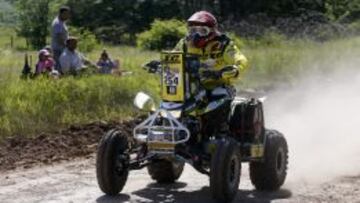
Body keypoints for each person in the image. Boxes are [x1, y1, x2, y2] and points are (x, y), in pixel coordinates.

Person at [173, 11, 248, 92]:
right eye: (193, 30)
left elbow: (241, 59)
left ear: (212, 31)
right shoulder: (184, 43)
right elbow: (172, 58)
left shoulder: (223, 43)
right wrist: (160, 64)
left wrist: (236, 69)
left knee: (219, 97)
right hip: (191, 88)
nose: (196, 35)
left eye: (202, 31)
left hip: (219, 85)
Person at [51, 6, 70, 73]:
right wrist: (67, 46)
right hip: (58, 49)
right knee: (59, 66)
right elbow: (59, 37)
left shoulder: (61, 22)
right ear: (61, 13)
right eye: (66, 14)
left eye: (68, 14)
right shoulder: (57, 23)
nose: (67, 16)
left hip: (62, 48)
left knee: (62, 65)